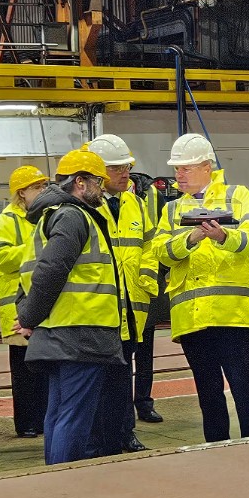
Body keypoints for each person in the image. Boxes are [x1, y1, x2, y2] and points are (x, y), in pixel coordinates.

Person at [17, 150, 132, 464]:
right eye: (98, 181)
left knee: (59, 413)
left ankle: (54, 479)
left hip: (61, 332)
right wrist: (29, 316)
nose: (102, 188)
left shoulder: (50, 216)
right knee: (74, 417)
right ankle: (65, 482)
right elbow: (51, 270)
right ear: (80, 182)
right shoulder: (72, 216)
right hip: (80, 333)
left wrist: (27, 315)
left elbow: (30, 274)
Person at [153, 133, 249, 443]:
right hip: (192, 317)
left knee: (243, 384)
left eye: (185, 168)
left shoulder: (236, 196)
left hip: (232, 313)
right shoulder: (172, 209)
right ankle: (215, 447)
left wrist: (222, 237)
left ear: (207, 167)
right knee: (207, 389)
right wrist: (190, 239)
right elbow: (160, 251)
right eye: (176, 169)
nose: (178, 175)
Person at [87, 133, 160, 452]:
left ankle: (124, 433)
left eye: (127, 167)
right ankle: (98, 439)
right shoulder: (84, 207)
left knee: (122, 374)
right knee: (99, 378)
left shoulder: (136, 204)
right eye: (116, 168)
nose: (125, 173)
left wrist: (147, 277)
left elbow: (151, 244)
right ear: (97, 171)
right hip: (99, 308)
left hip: (133, 305)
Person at [0, 165, 49, 439]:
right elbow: (4, 259)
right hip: (17, 307)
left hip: (40, 303)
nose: (43, 191)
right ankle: (26, 422)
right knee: (24, 370)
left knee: (43, 367)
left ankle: (43, 419)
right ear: (21, 192)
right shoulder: (5, 221)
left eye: (44, 186)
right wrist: (39, 250)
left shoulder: (45, 216)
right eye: (37, 187)